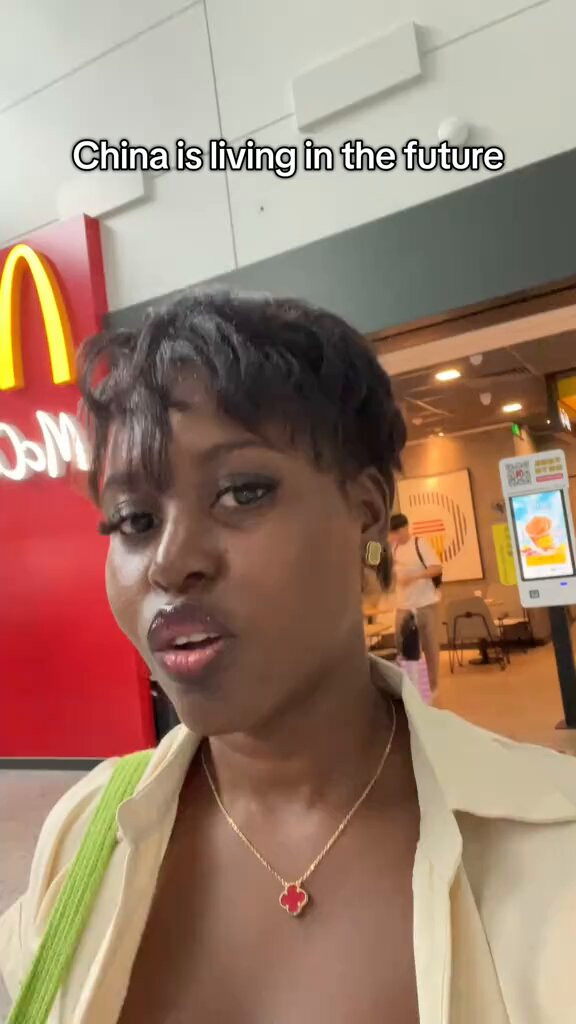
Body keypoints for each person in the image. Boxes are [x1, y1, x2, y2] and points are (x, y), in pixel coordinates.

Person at [1, 292, 576, 1024]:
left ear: (366, 512)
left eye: (242, 493)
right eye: (135, 520)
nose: (170, 563)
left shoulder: (553, 845)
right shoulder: (83, 837)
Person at [389, 514, 443, 693]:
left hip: (425, 603)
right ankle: (412, 687)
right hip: (403, 606)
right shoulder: (393, 548)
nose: (395, 536)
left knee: (430, 646)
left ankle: (432, 686)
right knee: (403, 646)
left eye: (397, 532)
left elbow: (437, 568)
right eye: (392, 533)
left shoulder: (420, 544)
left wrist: (414, 577)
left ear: (406, 528)